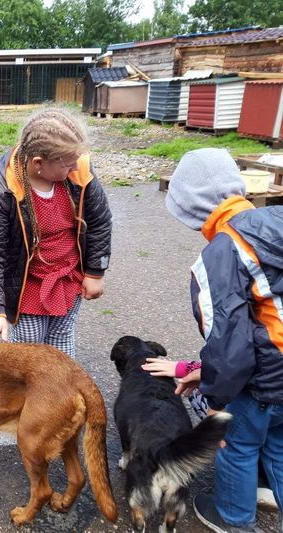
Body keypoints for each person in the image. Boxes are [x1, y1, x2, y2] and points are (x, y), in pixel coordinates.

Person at [164, 147, 283, 533]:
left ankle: (234, 519)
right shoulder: (276, 218)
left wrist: (215, 402)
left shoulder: (219, 255)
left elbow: (230, 349)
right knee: (279, 444)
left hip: (265, 380)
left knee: (238, 445)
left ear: (188, 210)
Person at [0, 107, 112, 357]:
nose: (74, 168)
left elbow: (100, 222)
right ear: (38, 163)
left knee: (62, 335)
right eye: (67, 165)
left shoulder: (79, 172)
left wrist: (94, 271)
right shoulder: (1, 188)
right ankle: (25, 392)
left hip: (68, 277)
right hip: (28, 283)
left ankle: (61, 390)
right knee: (29, 343)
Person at [143, 357, 279, 512]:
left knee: (237, 444)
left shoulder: (231, 332)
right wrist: (193, 369)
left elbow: (232, 355)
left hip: (258, 392)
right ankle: (270, 485)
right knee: (277, 447)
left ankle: (234, 517)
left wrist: (216, 405)